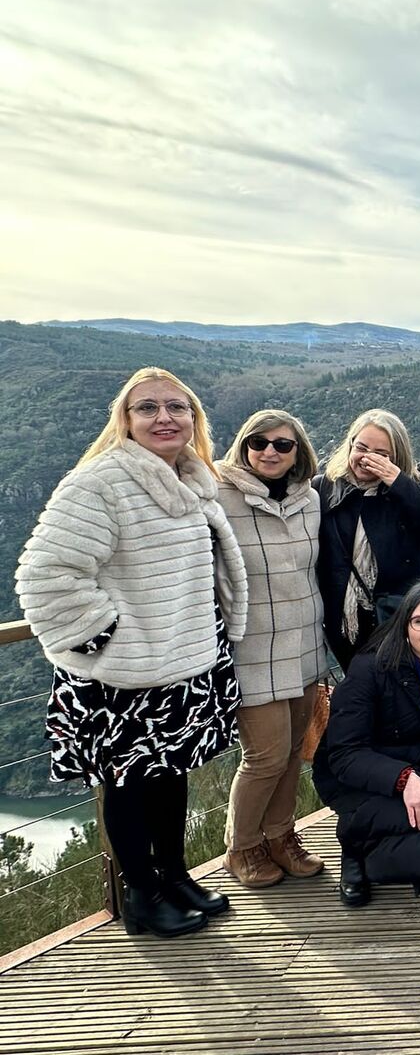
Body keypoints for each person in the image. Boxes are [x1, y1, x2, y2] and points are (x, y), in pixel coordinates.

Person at [16, 367, 247, 938]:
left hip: (183, 662)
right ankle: (142, 896)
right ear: (125, 420)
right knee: (127, 784)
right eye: (148, 408)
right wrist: (107, 637)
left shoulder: (193, 479)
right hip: (122, 673)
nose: (164, 417)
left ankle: (174, 875)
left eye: (177, 407)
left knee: (169, 776)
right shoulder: (100, 482)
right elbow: (44, 576)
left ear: (195, 418)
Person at [312, 580, 420, 907]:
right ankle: (353, 844)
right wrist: (402, 779)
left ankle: (404, 838)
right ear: (405, 626)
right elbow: (345, 754)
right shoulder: (369, 669)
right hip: (359, 773)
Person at [216, 410, 328, 889]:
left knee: (292, 753)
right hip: (251, 646)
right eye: (259, 442)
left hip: (305, 642)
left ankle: (282, 837)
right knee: (264, 755)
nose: (269, 452)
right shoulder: (219, 497)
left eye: (283, 445)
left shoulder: (312, 500)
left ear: (298, 452)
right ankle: (241, 847)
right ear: (243, 445)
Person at [315, 409, 420, 668]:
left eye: (381, 454)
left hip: (397, 616)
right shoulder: (325, 488)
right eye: (362, 448)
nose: (367, 459)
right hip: (344, 619)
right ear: (350, 445)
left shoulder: (413, 488)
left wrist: (397, 481)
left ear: (396, 457)